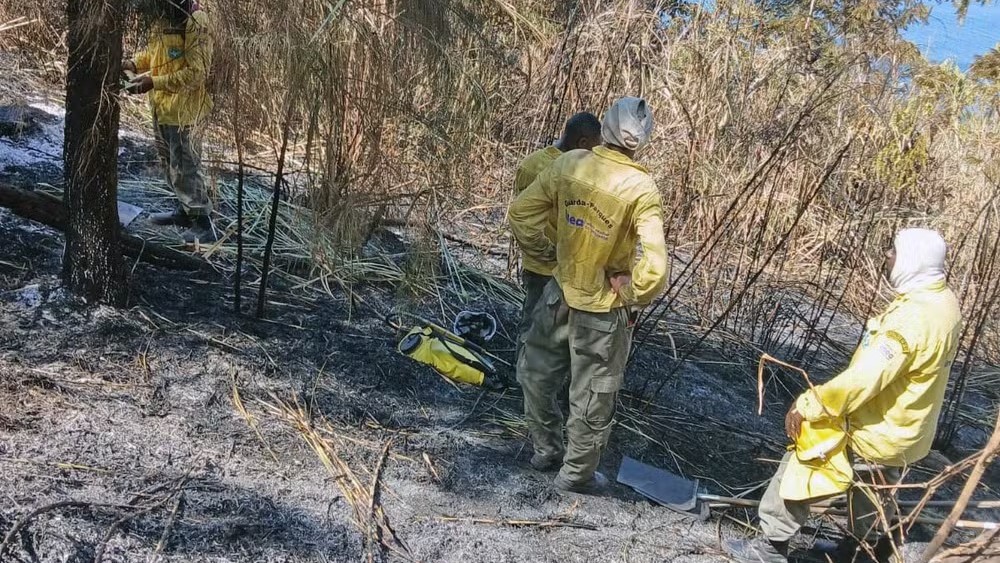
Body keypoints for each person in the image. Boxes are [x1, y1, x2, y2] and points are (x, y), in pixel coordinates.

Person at [724, 228, 963, 563]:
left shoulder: (911, 321)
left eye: (894, 251)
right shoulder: (943, 302)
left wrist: (810, 404)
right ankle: (857, 553)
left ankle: (770, 548)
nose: (888, 257)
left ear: (913, 260)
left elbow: (865, 379)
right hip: (906, 433)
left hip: (873, 429)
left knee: (802, 464)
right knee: (874, 489)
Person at [509, 97, 669, 494]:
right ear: (639, 140)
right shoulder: (640, 187)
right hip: (602, 311)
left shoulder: (567, 165)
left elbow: (520, 213)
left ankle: (546, 449)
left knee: (536, 374)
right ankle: (575, 474)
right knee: (591, 395)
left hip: (558, 294)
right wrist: (631, 291)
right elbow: (656, 267)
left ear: (608, 128)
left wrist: (550, 254)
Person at [124, 0, 216, 244]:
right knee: (170, 163)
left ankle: (203, 223)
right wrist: (134, 64)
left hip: (185, 112)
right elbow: (155, 54)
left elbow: (197, 73)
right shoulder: (161, 15)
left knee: (186, 165)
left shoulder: (195, 20)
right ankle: (184, 212)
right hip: (161, 106)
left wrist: (154, 82)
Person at [512, 112, 602, 357]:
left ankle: (539, 379)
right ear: (582, 143)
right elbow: (523, 215)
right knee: (533, 324)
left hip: (565, 266)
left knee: (555, 330)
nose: (597, 153)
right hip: (544, 266)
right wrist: (545, 251)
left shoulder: (577, 168)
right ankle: (523, 379)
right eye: (596, 146)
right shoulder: (539, 167)